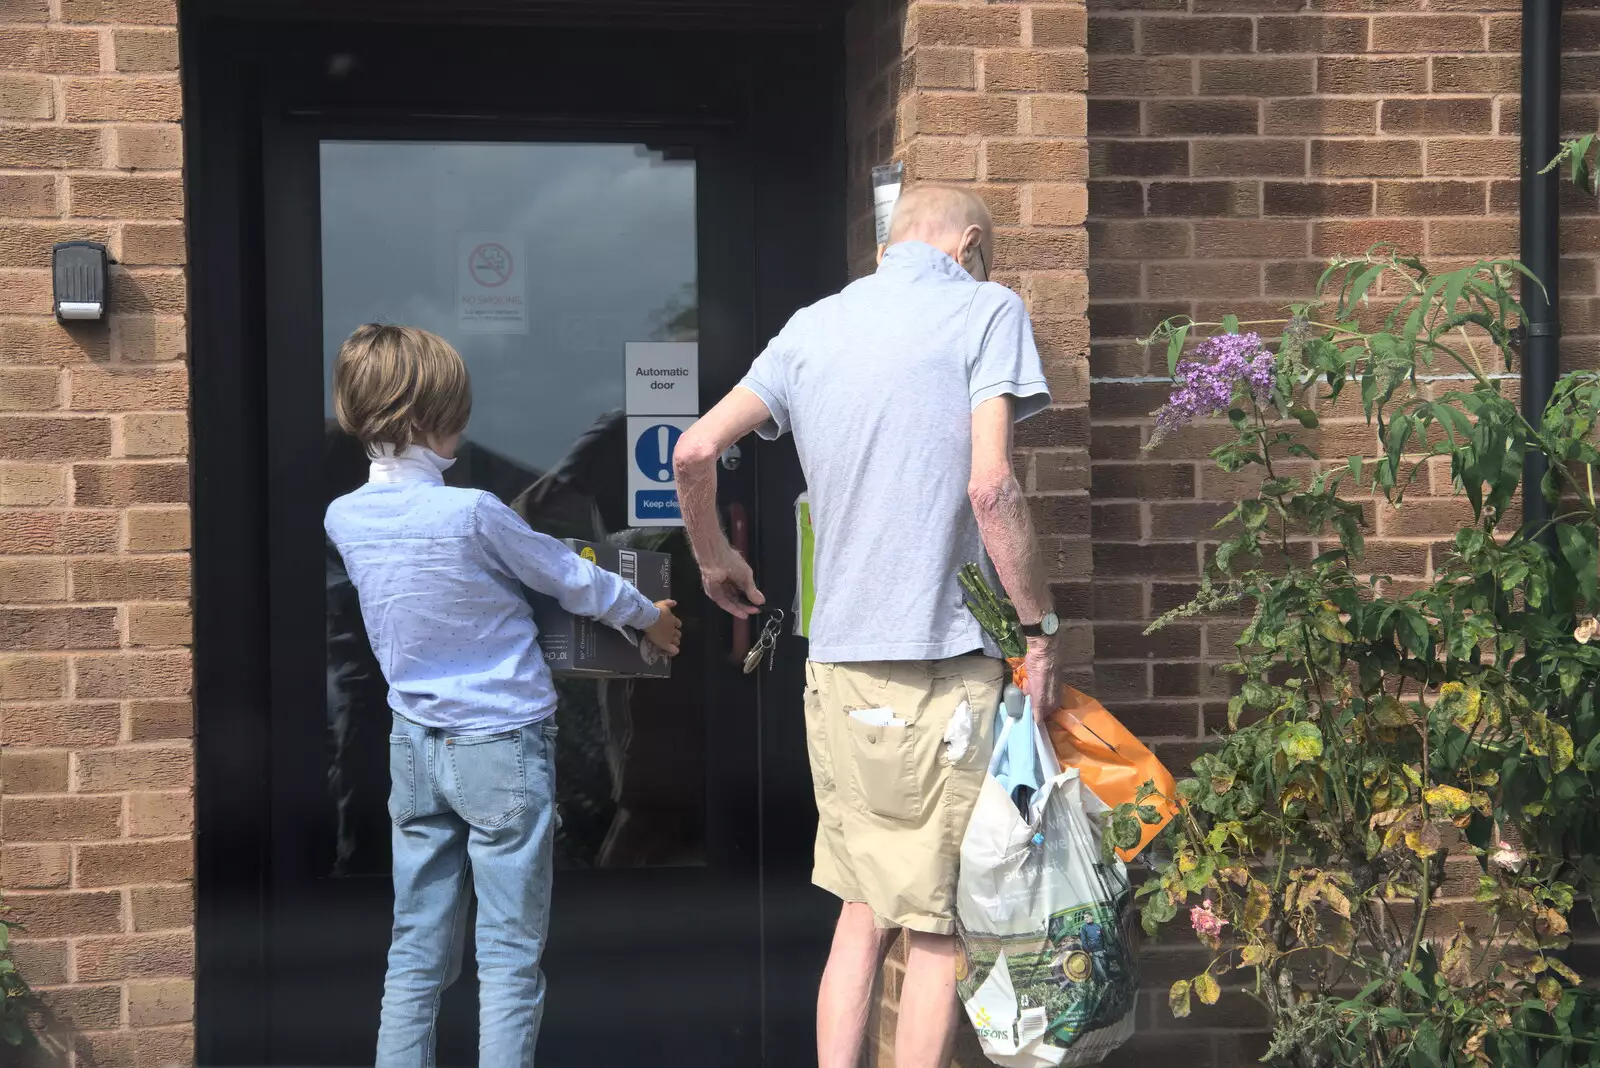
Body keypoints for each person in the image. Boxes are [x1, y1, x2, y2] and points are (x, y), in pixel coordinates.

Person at [673, 185, 1062, 1068]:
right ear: (965, 246)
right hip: (940, 668)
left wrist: (712, 559)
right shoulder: (986, 308)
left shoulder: (812, 327)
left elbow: (694, 450)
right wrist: (1040, 630)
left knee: (862, 907)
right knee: (937, 924)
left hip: (840, 671)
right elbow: (992, 487)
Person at [323, 323, 683, 1068]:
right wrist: (653, 617)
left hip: (414, 746)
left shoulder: (344, 517)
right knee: (510, 957)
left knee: (415, 952)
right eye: (457, 410)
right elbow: (570, 576)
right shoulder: (473, 512)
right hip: (502, 746)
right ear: (425, 418)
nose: (466, 424)